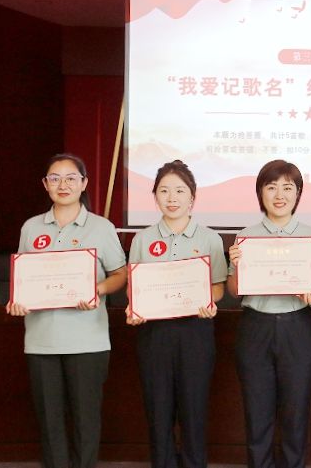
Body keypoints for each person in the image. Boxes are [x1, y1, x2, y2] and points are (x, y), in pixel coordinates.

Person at [7, 153, 127, 468]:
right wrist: (17, 300)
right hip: (41, 341)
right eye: (55, 178)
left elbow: (120, 274)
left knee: (86, 419)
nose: (63, 185)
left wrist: (97, 289)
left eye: (71, 178)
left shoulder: (101, 227)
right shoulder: (31, 227)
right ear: (45, 184)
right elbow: (24, 279)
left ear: (84, 183)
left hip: (88, 341)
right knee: (49, 422)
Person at [226, 159, 311, 468]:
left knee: (296, 412)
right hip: (255, 327)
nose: (279, 195)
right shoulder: (245, 237)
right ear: (261, 193)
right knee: (256, 411)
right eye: (271, 187)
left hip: (297, 326)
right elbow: (234, 289)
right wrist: (237, 265)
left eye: (288, 187)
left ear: (298, 194)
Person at [125, 159, 227, 468]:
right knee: (158, 411)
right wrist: (134, 307)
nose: (172, 198)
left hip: (195, 331)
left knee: (194, 410)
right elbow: (134, 287)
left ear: (192, 197)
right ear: (155, 196)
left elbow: (218, 287)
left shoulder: (209, 239)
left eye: (180, 191)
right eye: (164, 191)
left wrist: (208, 301)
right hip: (154, 334)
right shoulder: (142, 239)